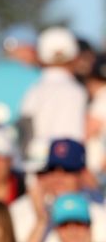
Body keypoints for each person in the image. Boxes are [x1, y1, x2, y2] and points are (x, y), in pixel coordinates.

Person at [19, 27, 87, 168]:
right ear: (75, 57)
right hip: (71, 168)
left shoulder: (33, 91)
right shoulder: (78, 91)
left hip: (38, 168)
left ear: (40, 57)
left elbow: (25, 136)